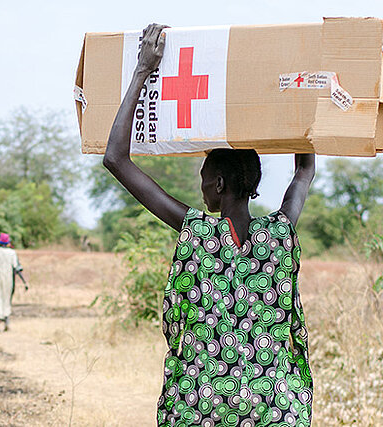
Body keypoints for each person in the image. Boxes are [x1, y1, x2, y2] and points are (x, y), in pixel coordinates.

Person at [103, 24, 316, 427]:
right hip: (275, 408)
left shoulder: (198, 232)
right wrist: (299, 84)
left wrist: (142, 71)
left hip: (202, 407)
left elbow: (116, 158)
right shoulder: (281, 233)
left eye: (203, 177)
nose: (200, 187)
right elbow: (304, 171)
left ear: (218, 184)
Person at [0, 233, 27, 332]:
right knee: (6, 298)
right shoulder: (12, 252)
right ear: (8, 242)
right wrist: (24, 282)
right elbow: (16, 267)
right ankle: (6, 322)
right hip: (8, 277)